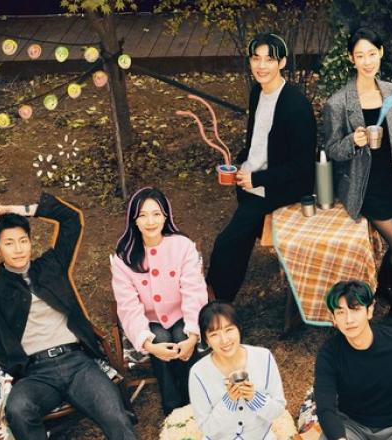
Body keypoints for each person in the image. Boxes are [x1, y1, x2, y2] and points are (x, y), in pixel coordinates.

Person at [0, 193, 136, 440]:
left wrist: (24, 209)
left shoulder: (53, 266)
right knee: (18, 410)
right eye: (9, 243)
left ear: (30, 242)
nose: (18, 249)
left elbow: (72, 218)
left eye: (23, 240)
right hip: (35, 375)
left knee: (116, 417)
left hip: (78, 364)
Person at [206, 32, 317, 302]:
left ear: (282, 62)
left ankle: (216, 306)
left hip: (278, 188)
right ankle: (218, 299)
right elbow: (257, 140)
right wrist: (239, 163)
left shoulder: (296, 107)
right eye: (256, 58)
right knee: (240, 239)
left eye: (269, 59)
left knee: (226, 244)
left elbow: (302, 168)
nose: (262, 66)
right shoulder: (258, 92)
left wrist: (257, 178)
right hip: (251, 182)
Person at [323, 27, 392, 319]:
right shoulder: (338, 103)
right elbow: (331, 150)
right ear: (351, 58)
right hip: (366, 186)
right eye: (360, 55)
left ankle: (382, 289)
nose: (367, 61)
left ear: (381, 53)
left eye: (372, 54)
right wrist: (353, 141)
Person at [111, 187, 208, 415]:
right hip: (149, 320)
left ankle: (197, 402)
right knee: (161, 338)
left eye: (156, 214)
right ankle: (173, 409)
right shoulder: (124, 257)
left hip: (182, 314)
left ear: (166, 216)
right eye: (143, 215)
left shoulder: (182, 246)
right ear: (134, 220)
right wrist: (148, 345)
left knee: (182, 336)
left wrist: (193, 335)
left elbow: (194, 291)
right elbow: (128, 306)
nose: (150, 221)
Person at [314, 281, 392, 440]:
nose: (349, 320)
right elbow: (325, 407)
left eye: (355, 309)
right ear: (333, 318)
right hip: (352, 425)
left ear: (370, 310)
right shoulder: (329, 354)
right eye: (340, 312)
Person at [189, 301, 286, 440]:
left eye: (229, 330)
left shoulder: (264, 357)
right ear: (206, 339)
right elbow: (206, 428)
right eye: (214, 334)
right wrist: (229, 402)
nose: (224, 340)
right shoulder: (198, 373)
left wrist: (254, 397)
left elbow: (278, 410)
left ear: (239, 328)